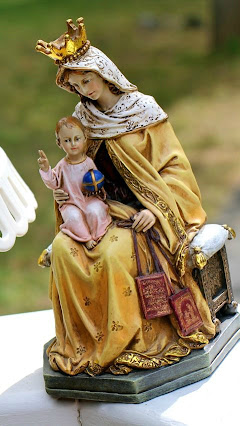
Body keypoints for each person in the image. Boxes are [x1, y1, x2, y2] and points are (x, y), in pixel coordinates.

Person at [35, 19, 215, 376]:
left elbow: (175, 170)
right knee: (63, 250)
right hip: (99, 209)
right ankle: (87, 340)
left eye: (86, 79)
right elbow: (75, 165)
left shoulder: (143, 111)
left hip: (142, 214)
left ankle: (129, 342)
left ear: (104, 72)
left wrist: (153, 209)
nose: (83, 90)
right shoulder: (81, 120)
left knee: (113, 256)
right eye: (74, 85)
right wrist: (62, 186)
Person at [38, 117, 111, 250]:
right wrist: (46, 169)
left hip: (89, 199)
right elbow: (53, 182)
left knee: (95, 210)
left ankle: (98, 235)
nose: (73, 144)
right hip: (71, 203)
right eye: (67, 140)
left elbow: (97, 180)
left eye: (77, 139)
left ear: (85, 138)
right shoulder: (62, 166)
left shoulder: (88, 162)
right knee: (73, 217)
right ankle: (86, 239)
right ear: (59, 143)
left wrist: (98, 189)